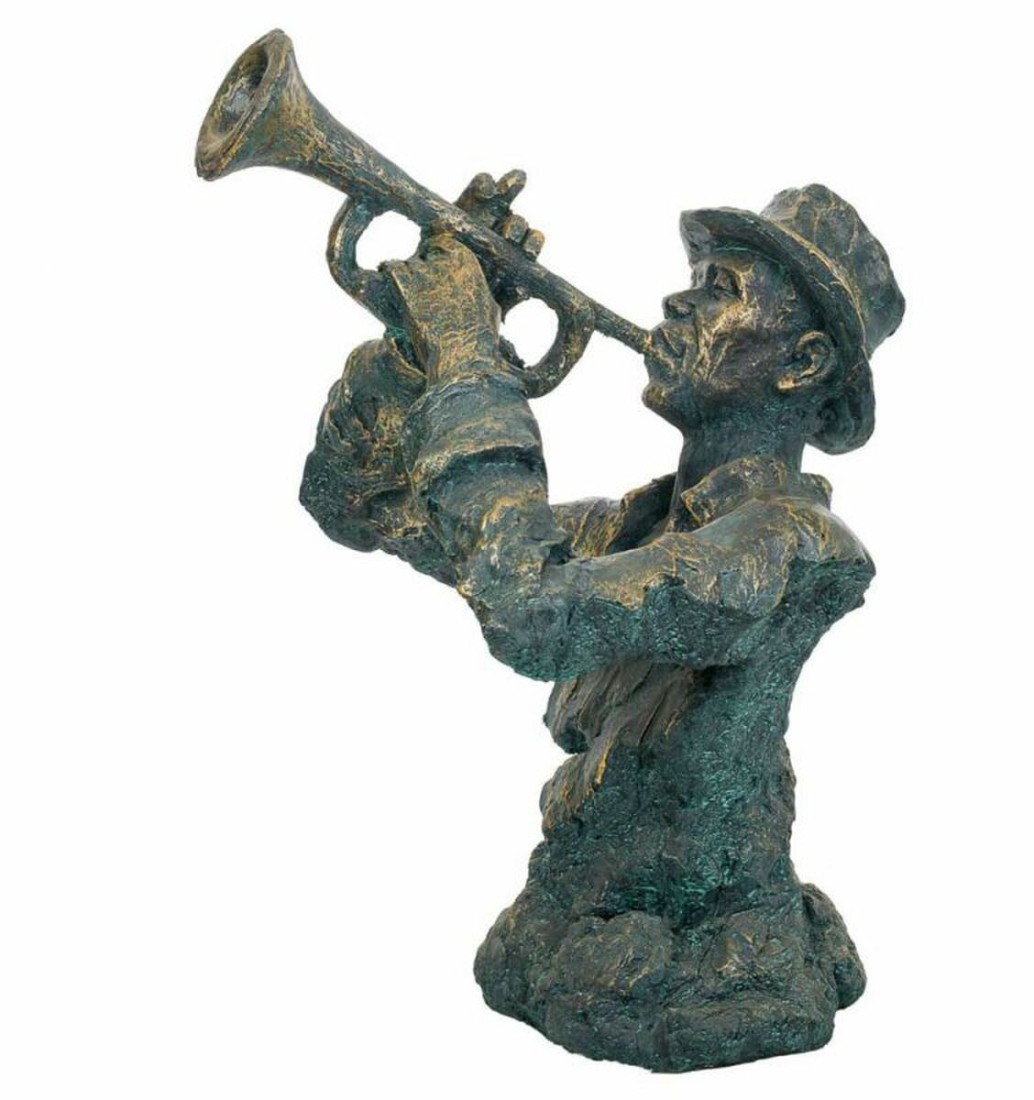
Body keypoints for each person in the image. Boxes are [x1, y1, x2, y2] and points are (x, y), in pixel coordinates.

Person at [300, 180, 904, 1072]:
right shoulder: (636, 532)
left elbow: (530, 613)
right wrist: (410, 353)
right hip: (580, 922)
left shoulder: (790, 545)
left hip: (700, 955)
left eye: (721, 289)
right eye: (693, 279)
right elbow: (355, 503)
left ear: (803, 362)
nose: (677, 302)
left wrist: (468, 353)